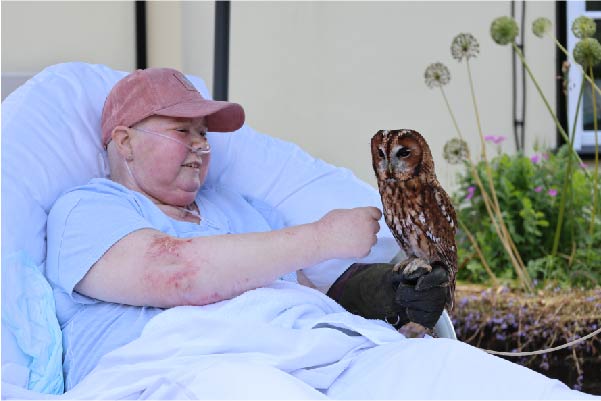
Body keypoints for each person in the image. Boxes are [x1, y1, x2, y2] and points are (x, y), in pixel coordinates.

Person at [44, 67, 596, 399]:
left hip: (326, 356)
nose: (202, 145)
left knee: (461, 376)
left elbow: (296, 292)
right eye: (182, 130)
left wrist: (380, 295)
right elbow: (173, 271)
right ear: (124, 141)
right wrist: (324, 237)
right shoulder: (87, 209)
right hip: (194, 368)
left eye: (205, 133)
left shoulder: (238, 208)